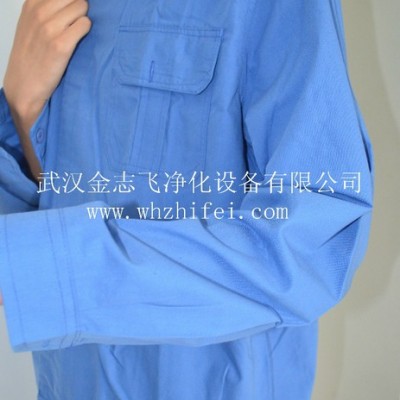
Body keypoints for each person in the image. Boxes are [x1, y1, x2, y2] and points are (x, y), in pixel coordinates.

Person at [0, 0, 374, 399]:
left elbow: (316, 244)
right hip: (68, 383)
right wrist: (21, 110)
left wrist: (43, 268)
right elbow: (57, 196)